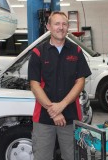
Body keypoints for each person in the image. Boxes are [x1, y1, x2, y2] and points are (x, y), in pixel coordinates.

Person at [28, 11, 92, 160]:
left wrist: (61, 105)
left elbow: (80, 81)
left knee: (72, 156)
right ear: (48, 26)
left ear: (68, 27)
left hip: (70, 115)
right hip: (44, 116)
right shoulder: (38, 53)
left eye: (64, 24)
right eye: (57, 24)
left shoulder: (76, 51)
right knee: (42, 156)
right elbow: (34, 85)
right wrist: (54, 110)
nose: (61, 27)